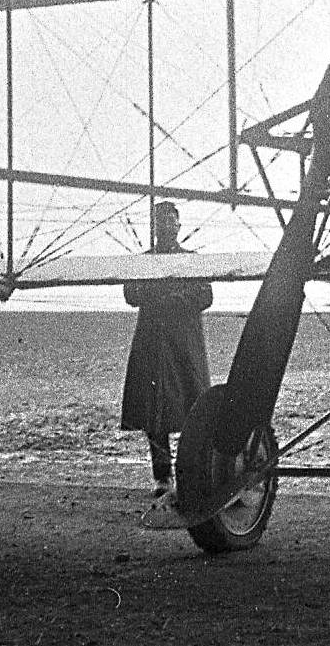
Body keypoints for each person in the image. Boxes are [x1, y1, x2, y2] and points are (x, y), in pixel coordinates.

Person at [120, 202, 214, 497]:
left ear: (179, 227)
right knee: (154, 413)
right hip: (153, 343)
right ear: (155, 228)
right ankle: (163, 478)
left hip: (184, 344)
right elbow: (130, 294)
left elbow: (205, 296)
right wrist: (157, 293)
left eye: (171, 222)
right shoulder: (144, 261)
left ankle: (194, 475)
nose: (167, 228)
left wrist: (173, 299)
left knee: (193, 407)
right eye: (161, 223)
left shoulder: (193, 261)